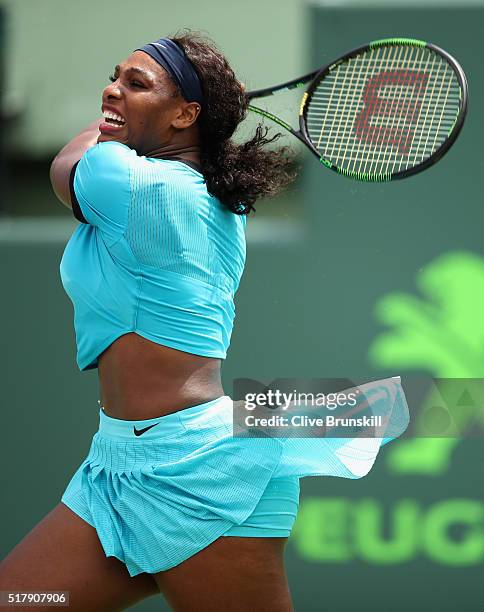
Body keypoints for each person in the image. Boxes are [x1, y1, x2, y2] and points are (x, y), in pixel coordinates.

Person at [0, 32, 408, 612]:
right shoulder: (209, 197)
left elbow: (66, 163)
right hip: (118, 472)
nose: (110, 89)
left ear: (186, 114)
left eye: (136, 84)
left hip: (196, 476)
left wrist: (113, 122)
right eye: (115, 76)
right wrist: (181, 114)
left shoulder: (139, 186)